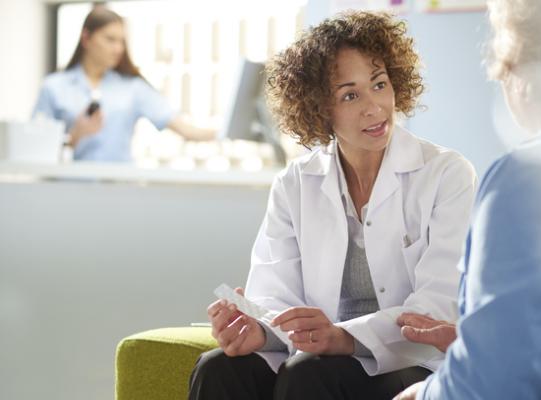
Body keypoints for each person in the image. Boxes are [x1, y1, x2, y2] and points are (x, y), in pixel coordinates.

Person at [188, 11, 477, 400]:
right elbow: (274, 293)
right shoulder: (295, 183)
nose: (374, 107)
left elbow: (437, 306)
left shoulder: (446, 174)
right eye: (350, 95)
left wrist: (344, 336)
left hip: (411, 361)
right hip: (314, 355)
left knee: (311, 373)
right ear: (320, 108)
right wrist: (259, 329)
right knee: (219, 368)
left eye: (379, 84)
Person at [394, 0, 541, 398]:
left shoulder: (530, 177)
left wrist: (425, 395)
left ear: (513, 63)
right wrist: (479, 341)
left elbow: (492, 388)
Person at [32, 6, 213, 162]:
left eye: (122, 41)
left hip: (120, 190)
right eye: (110, 39)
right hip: (69, 191)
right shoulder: (54, 87)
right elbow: (34, 149)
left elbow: (185, 130)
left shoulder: (132, 87)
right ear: (86, 38)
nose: (118, 49)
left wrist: (227, 131)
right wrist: (74, 136)